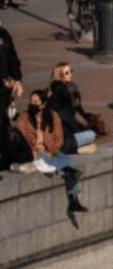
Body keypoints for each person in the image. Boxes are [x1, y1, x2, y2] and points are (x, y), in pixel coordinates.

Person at [17, 89, 88, 214]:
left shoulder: (52, 117)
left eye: (36, 101)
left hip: (52, 151)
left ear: (43, 104)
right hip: (36, 152)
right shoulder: (24, 117)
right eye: (31, 101)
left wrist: (52, 150)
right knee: (65, 167)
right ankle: (74, 201)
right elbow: (27, 137)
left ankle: (73, 198)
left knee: (68, 161)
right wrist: (38, 129)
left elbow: (59, 139)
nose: (32, 104)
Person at [0, 22, 23, 171]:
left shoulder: (3, 34)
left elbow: (12, 59)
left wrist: (16, 79)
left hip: (3, 93)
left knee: (3, 125)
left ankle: (6, 160)